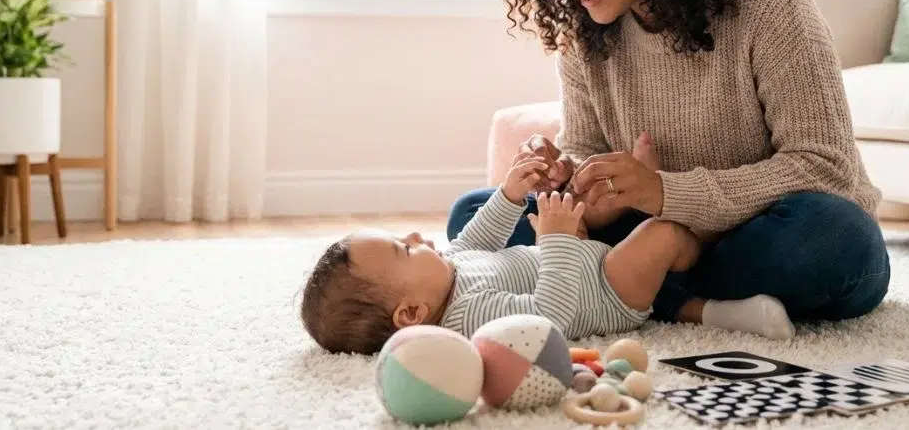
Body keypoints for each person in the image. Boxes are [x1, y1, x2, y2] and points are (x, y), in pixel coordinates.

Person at [447, 0, 890, 338]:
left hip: (758, 234)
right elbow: (588, 149)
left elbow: (824, 169)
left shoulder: (769, 1)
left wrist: (664, 192)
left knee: (835, 238)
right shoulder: (586, 30)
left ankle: (632, 291)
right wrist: (571, 183)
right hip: (651, 236)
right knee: (474, 214)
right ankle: (683, 299)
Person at [300, 150, 780, 356]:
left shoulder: (448, 270)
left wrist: (510, 194)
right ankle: (703, 267)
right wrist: (556, 239)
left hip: (586, 262)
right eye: (404, 251)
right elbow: (551, 320)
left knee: (474, 209)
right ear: (412, 313)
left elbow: (477, 236)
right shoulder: (469, 316)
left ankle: (689, 305)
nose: (414, 237)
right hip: (607, 291)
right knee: (664, 233)